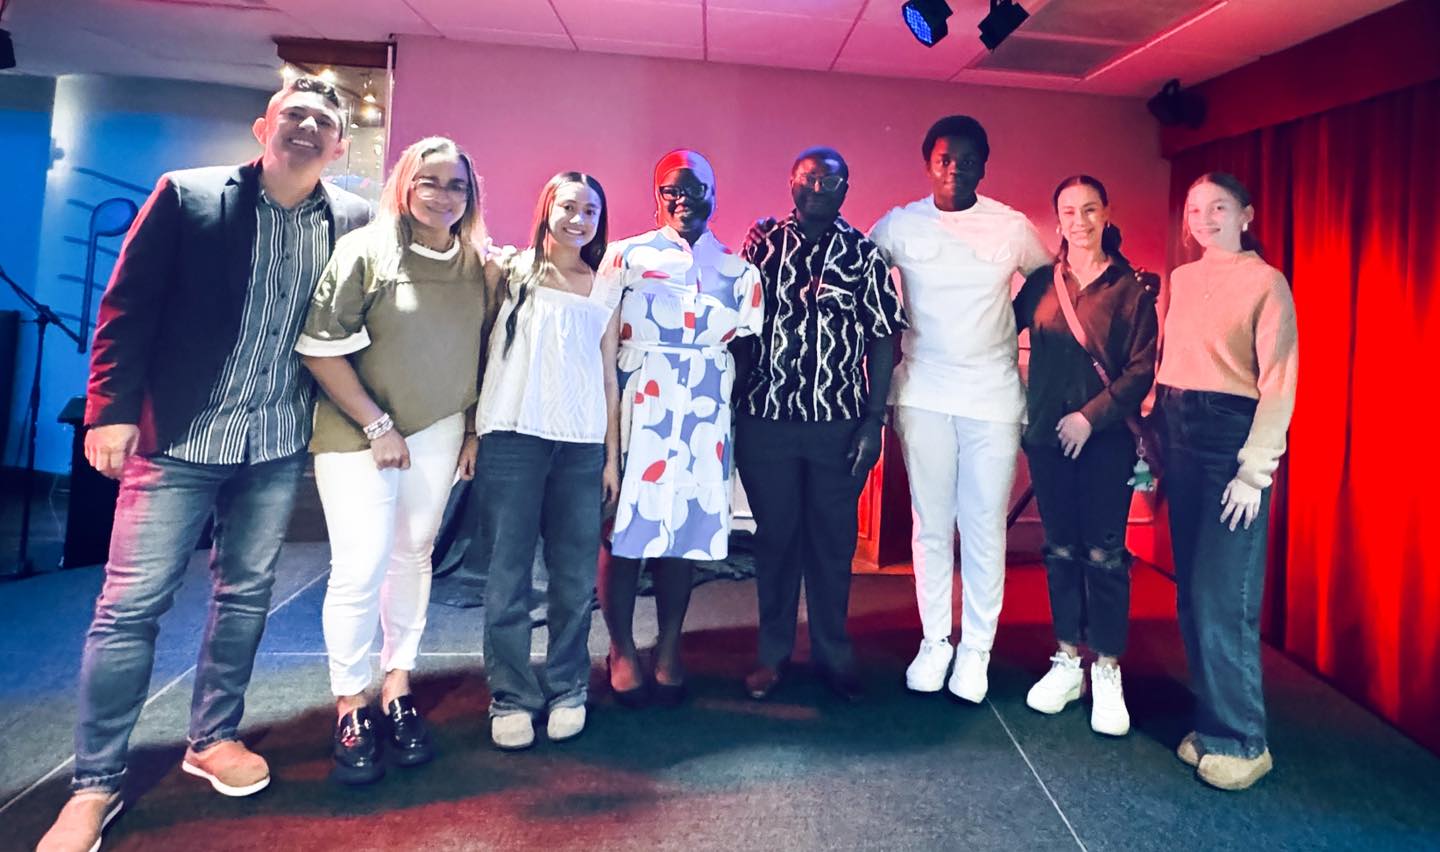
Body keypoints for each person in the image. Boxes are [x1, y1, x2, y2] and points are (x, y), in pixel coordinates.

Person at [40, 76, 370, 852]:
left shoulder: (353, 219)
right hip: (179, 439)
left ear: (338, 147)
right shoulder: (187, 195)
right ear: (265, 126)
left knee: (246, 595)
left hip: (277, 442)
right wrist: (109, 410)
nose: (306, 128)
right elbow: (127, 307)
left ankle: (212, 737)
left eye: (322, 122)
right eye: (294, 114)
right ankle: (93, 785)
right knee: (130, 610)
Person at [296, 137, 487, 783]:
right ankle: (350, 702)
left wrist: (470, 431)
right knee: (358, 567)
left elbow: (479, 352)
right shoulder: (365, 253)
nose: (443, 195)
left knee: (412, 556)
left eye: (456, 185)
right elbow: (320, 349)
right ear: (405, 184)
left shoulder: (475, 264)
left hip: (439, 432)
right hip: (361, 435)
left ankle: (396, 684)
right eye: (429, 181)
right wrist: (377, 424)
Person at [869, 115, 1051, 702]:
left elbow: (1048, 275)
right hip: (922, 392)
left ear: (983, 165)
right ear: (929, 163)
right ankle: (935, 641)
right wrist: (893, 329)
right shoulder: (901, 223)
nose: (956, 168)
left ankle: (976, 649)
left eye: (969, 159)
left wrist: (1012, 322)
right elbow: (863, 271)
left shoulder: (1010, 226)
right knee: (930, 524)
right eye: (946, 158)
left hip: (993, 396)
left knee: (981, 527)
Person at [736, 147, 906, 702]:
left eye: (831, 181)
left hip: (839, 426)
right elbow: (740, 329)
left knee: (832, 544)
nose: (818, 189)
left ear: (845, 190)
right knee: (777, 540)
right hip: (768, 423)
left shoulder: (863, 255)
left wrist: (872, 421)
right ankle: (772, 654)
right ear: (791, 183)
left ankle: (834, 649)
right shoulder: (760, 247)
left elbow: (885, 339)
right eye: (808, 179)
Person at [598, 150, 763, 706]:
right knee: (621, 532)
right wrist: (606, 437)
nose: (684, 198)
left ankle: (669, 646)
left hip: (703, 414)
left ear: (716, 193)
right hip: (636, 404)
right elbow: (599, 342)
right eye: (672, 188)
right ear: (656, 194)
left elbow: (750, 352)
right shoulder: (624, 256)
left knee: (683, 539)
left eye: (696, 188)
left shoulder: (740, 272)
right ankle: (621, 647)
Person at [1159, 172, 1297, 791]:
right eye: (1194, 208)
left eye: (1218, 206)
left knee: (1224, 596)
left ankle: (1244, 741)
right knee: (1191, 592)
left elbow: (1279, 382)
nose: (1205, 217)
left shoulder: (1266, 281)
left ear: (1246, 213)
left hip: (1229, 443)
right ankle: (1215, 723)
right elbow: (1175, 358)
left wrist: (1254, 468)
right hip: (1178, 430)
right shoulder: (1183, 279)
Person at [474, 172, 620, 750]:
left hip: (581, 445)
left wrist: (612, 457)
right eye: (568, 205)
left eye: (590, 209)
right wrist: (470, 432)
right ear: (547, 208)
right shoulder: (508, 272)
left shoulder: (607, 284)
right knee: (507, 575)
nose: (578, 217)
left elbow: (609, 376)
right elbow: (479, 348)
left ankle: (567, 687)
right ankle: (510, 696)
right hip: (512, 436)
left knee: (574, 577)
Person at [1012, 175, 1158, 736]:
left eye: (1090, 209)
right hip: (1048, 440)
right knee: (1060, 549)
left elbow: (1142, 367)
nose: (1079, 220)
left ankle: (1109, 667)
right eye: (1069, 211)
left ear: (1106, 213)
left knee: (1104, 552)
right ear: (1058, 219)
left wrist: (1088, 417)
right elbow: (1000, 331)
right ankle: (1068, 659)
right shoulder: (1041, 285)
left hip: (1105, 442)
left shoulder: (1131, 289)